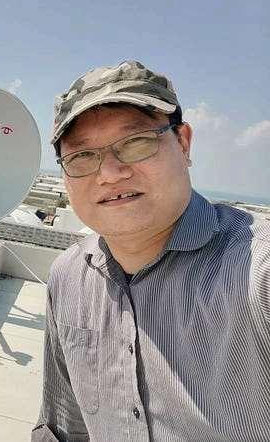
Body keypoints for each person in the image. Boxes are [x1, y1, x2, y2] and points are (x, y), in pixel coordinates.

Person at [32, 60, 270, 441]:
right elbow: (62, 427)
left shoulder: (256, 274)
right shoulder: (68, 277)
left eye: (136, 142)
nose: (109, 173)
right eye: (82, 156)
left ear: (183, 143)